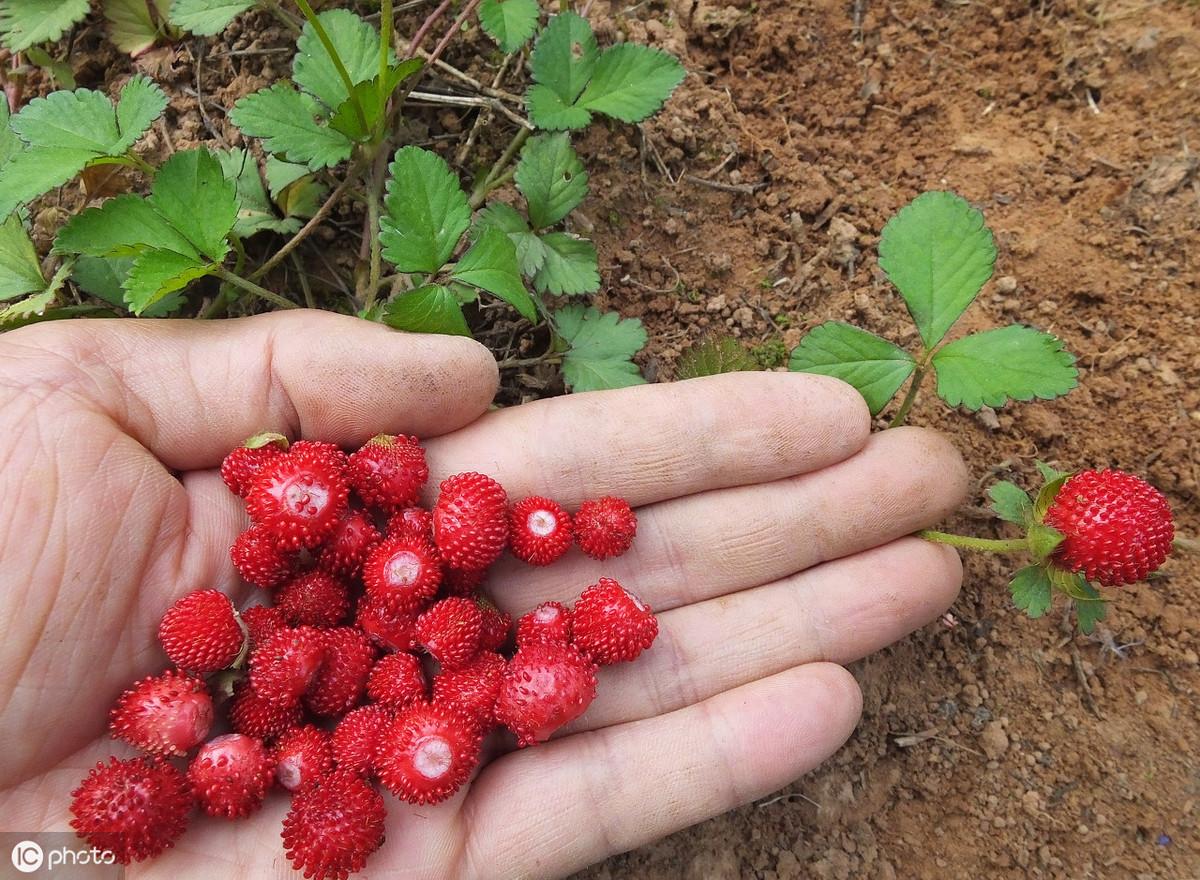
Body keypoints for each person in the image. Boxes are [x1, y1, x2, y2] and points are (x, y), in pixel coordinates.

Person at [0, 311, 967, 879]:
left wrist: (23, 857)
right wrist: (33, 857)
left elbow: (33, 857)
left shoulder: (402, 609)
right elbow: (53, 853)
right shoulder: (271, 662)